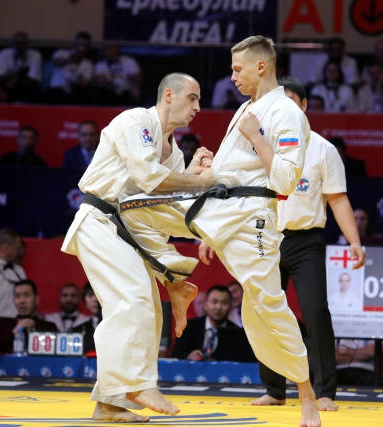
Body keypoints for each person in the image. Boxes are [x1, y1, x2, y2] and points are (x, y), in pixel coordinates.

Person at [119, 36, 321, 426]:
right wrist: (211, 169)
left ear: (261, 66)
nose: (232, 77)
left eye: (238, 69)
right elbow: (238, 168)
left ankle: (306, 392)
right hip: (219, 207)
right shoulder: (246, 107)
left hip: (252, 219)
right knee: (130, 209)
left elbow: (285, 181)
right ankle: (176, 283)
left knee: (265, 305)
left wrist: (255, 135)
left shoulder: (286, 112)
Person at [60, 72, 215, 421]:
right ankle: (135, 384)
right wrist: (201, 181)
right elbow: (149, 179)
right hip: (101, 220)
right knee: (131, 299)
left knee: (147, 308)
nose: (197, 107)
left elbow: (160, 206)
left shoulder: (174, 152)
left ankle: (110, 404)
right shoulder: (136, 121)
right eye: (192, 98)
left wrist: (192, 176)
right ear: (169, 95)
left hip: (131, 226)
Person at [241, 75, 365, 411]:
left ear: (304, 105)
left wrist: (354, 241)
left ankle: (324, 391)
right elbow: (240, 198)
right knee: (265, 312)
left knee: (315, 311)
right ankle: (274, 389)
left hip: (305, 241)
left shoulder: (323, 149)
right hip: (264, 238)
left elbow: (338, 199)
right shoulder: (258, 146)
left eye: (291, 103)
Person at [0, 280, 58, 353]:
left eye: (27, 295)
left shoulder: (48, 327)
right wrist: (17, 329)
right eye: (18, 296)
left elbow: (54, 354)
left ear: (36, 299)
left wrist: (35, 334)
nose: (22, 301)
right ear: (14, 300)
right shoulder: (2, 323)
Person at [171, 285, 239, 360]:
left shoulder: (237, 333)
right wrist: (188, 355)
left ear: (230, 306)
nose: (218, 307)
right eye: (214, 302)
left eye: (224, 303)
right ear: (206, 305)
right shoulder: (188, 327)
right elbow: (176, 353)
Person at [0, 32, 42, 103]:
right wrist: (9, 81)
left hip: (23, 84)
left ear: (27, 44)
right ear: (13, 43)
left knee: (31, 87)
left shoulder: (35, 55)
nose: (20, 45)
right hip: (6, 82)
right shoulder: (4, 53)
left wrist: (17, 83)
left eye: (23, 43)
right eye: (18, 43)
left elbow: (34, 78)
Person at [46, 32, 94, 104]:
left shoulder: (88, 64)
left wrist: (78, 83)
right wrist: (70, 60)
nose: (82, 47)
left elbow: (86, 82)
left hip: (73, 92)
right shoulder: (62, 53)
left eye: (85, 45)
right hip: (57, 89)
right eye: (80, 43)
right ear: (75, 43)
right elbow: (55, 62)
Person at [73, 282, 101, 354]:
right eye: (90, 295)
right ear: (84, 301)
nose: (95, 299)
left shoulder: (118, 326)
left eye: (99, 295)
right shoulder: (77, 331)